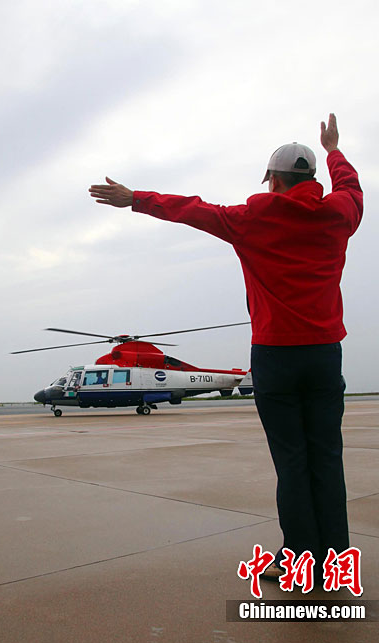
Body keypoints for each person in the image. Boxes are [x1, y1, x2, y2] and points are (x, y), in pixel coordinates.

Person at [88, 114, 363, 583]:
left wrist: (135, 199)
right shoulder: (340, 214)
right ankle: (335, 562)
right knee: (326, 458)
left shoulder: (250, 219)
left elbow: (193, 210)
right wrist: (334, 150)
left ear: (273, 180)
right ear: (310, 179)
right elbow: (351, 187)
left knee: (292, 462)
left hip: (275, 357)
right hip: (323, 355)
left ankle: (301, 562)